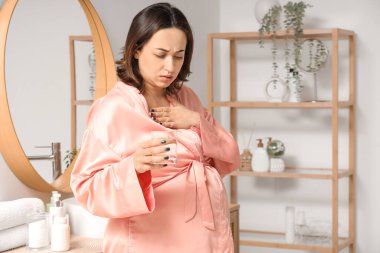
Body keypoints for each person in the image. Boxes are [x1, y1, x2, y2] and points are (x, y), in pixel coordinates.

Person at [70, 2, 240, 253]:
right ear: (137, 50)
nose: (170, 67)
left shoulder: (188, 98)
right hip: (147, 241)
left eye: (179, 56)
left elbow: (227, 154)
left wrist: (196, 121)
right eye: (160, 55)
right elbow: (86, 188)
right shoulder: (113, 109)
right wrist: (134, 167)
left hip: (203, 237)